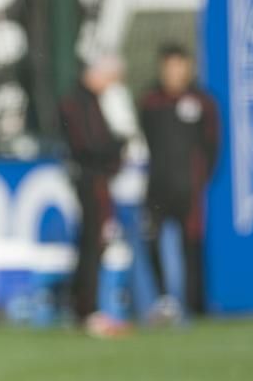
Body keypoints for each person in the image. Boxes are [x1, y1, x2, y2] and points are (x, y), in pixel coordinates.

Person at [138, 43, 219, 320]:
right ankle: (162, 303)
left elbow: (212, 146)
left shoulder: (202, 102)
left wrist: (198, 178)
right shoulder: (151, 101)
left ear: (187, 68)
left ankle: (194, 307)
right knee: (152, 242)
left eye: (177, 66)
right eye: (168, 67)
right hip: (158, 186)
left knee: (191, 247)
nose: (173, 73)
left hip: (189, 189)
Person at [58, 55, 131, 336]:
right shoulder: (80, 102)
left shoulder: (83, 100)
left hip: (92, 177)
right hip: (91, 179)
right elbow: (89, 144)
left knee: (92, 243)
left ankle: (84, 307)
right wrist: (117, 147)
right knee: (92, 243)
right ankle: (86, 309)